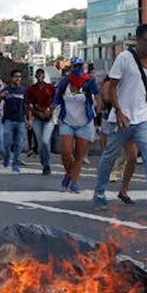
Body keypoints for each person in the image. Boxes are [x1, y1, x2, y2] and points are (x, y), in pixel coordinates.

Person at [92, 24, 147, 217]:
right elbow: (112, 87)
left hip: (142, 117)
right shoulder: (124, 58)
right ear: (138, 40)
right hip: (121, 119)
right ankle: (99, 192)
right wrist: (119, 111)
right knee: (109, 157)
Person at [54, 56, 98, 193]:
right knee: (66, 152)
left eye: (80, 66)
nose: (77, 69)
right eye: (75, 66)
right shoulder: (64, 82)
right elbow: (57, 98)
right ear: (71, 67)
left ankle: (73, 181)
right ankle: (69, 173)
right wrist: (54, 111)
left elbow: (97, 93)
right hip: (67, 120)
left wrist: (92, 80)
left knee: (79, 155)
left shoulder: (87, 82)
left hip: (84, 122)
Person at [25, 67, 56, 175]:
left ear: (44, 76)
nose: (40, 77)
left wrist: (50, 110)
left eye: (41, 75)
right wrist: (30, 118)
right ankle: (44, 163)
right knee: (40, 143)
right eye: (38, 75)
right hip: (37, 117)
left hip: (48, 117)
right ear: (35, 76)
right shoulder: (31, 89)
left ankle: (47, 164)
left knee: (45, 141)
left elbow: (55, 101)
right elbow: (29, 104)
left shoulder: (50, 88)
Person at [0, 69, 27, 171]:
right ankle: (6, 157)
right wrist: (1, 96)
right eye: (15, 76)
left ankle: (16, 163)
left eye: (19, 76)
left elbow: (27, 105)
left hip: (20, 120)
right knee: (7, 142)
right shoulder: (7, 90)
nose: (18, 78)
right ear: (11, 78)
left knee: (18, 143)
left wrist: (28, 119)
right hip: (8, 120)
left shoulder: (24, 90)